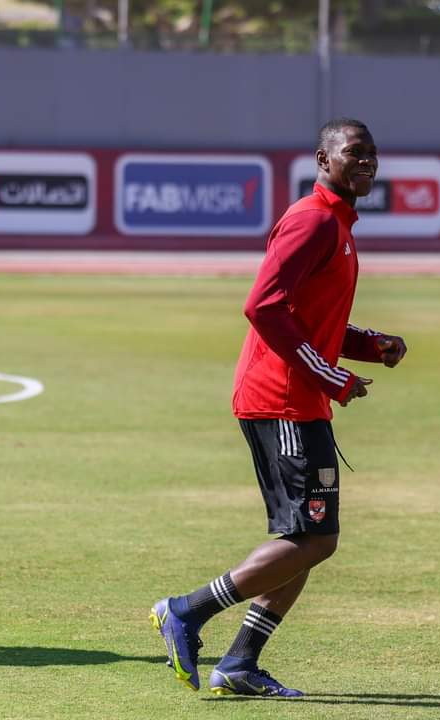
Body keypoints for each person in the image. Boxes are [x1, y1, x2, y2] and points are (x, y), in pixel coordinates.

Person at [150, 117, 407, 697]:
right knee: (312, 539)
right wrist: (332, 376)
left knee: (309, 538)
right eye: (354, 152)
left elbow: (311, 319)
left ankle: (240, 663)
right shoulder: (313, 220)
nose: (366, 161)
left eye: (371, 153)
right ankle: (186, 611)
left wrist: (371, 345)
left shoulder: (336, 223)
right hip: (282, 400)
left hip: (300, 399)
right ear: (323, 159)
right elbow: (264, 307)